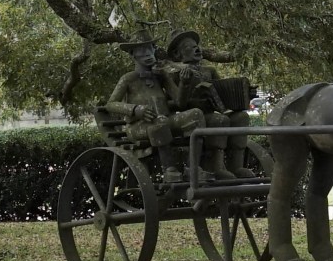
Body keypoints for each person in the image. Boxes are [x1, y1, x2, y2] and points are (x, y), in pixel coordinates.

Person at [104, 29, 208, 182]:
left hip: (164, 120)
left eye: (149, 49)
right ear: (133, 54)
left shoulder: (161, 76)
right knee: (160, 123)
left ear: (154, 50)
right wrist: (136, 110)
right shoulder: (128, 78)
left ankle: (192, 168)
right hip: (139, 126)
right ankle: (169, 169)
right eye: (141, 50)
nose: (147, 54)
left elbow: (180, 103)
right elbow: (111, 104)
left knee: (195, 114)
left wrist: (184, 83)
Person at [164, 28, 254, 179]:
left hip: (209, 113)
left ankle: (237, 166)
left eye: (196, 45)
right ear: (177, 54)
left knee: (241, 117)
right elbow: (169, 103)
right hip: (189, 118)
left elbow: (223, 93)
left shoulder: (209, 71)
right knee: (219, 120)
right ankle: (216, 167)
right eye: (188, 46)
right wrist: (192, 101)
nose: (196, 48)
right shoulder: (173, 73)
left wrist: (246, 95)